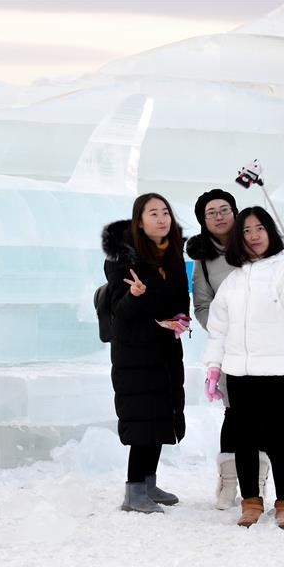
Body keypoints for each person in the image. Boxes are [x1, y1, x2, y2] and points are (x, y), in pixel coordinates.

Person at [202, 206, 284, 529]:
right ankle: (250, 502)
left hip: (279, 373)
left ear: (271, 231)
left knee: (278, 441)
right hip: (239, 374)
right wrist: (214, 366)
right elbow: (219, 328)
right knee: (244, 442)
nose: (254, 236)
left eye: (259, 229)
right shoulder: (233, 280)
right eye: (246, 231)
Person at [101, 193, 191, 514]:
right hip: (135, 354)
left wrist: (181, 321)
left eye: (165, 211)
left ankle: (149, 483)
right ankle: (133, 492)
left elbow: (181, 299)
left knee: (160, 416)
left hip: (165, 347)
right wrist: (135, 295)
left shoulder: (174, 256)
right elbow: (119, 313)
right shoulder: (123, 259)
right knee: (142, 421)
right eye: (153, 213)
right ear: (140, 221)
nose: (161, 218)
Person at [186, 189, 271, 511]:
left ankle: (260, 479)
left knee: (264, 413)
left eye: (225, 209)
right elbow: (202, 304)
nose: (219, 216)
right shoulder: (204, 261)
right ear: (204, 221)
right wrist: (224, 330)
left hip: (266, 344)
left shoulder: (256, 246)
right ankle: (228, 481)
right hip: (230, 347)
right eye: (211, 212)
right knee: (235, 413)